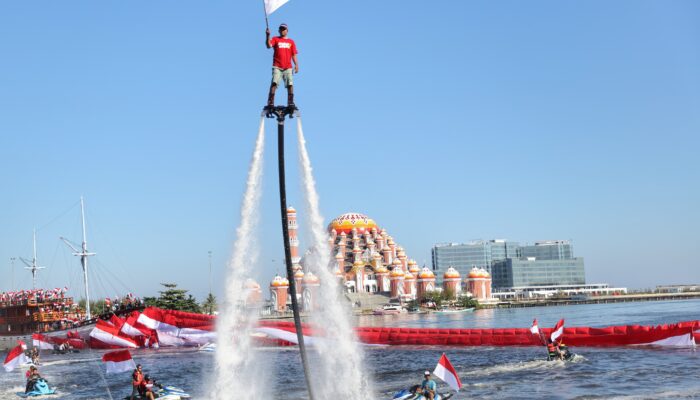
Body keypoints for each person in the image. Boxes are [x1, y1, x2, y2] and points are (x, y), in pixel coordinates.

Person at [265, 23, 299, 109]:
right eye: (281, 29)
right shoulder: (276, 39)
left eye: (284, 29)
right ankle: (270, 101)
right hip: (277, 66)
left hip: (288, 67)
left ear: (287, 31)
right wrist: (268, 35)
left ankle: (290, 102)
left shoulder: (291, 42)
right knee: (274, 83)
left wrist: (296, 65)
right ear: (279, 30)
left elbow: (294, 54)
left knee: (290, 84)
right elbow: (268, 45)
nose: (282, 30)